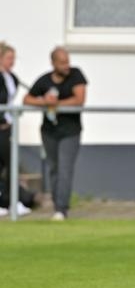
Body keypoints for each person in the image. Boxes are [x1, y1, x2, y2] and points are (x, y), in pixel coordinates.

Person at [23, 47, 87, 221]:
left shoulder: (76, 75)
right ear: (53, 63)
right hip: (49, 131)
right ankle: (57, 205)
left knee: (65, 169)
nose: (67, 65)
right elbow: (27, 99)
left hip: (70, 131)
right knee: (54, 169)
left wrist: (57, 103)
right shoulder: (44, 80)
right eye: (62, 62)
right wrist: (43, 101)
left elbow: (79, 99)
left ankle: (62, 209)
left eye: (68, 61)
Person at [0, 42, 38, 217]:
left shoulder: (12, 77)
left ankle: (12, 201)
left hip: (7, 127)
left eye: (13, 58)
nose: (12, 62)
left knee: (10, 165)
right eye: (9, 58)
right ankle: (5, 201)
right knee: (5, 164)